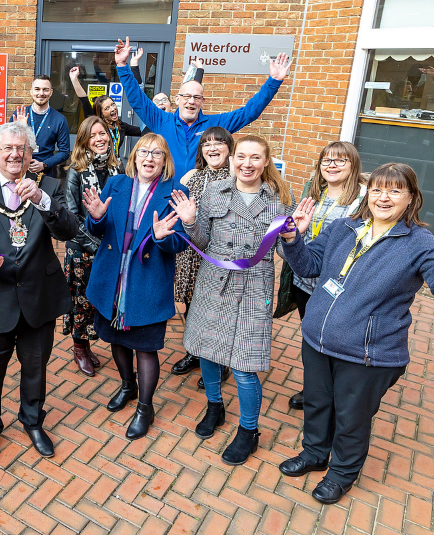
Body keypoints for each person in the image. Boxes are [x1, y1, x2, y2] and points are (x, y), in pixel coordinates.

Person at [278, 163, 434, 504]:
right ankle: (315, 453)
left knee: (351, 417)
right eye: (376, 189)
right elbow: (309, 266)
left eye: (394, 190)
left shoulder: (420, 242)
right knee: (317, 403)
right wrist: (292, 239)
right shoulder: (344, 227)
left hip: (367, 352)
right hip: (317, 339)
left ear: (411, 198)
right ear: (367, 193)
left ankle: (342, 474)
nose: (383, 197)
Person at [0, 121, 78, 465]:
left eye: (20, 149)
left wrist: (41, 200)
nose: (13, 154)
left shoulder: (49, 185)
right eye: (6, 148)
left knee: (35, 367)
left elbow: (68, 230)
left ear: (29, 154)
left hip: (39, 294)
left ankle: (32, 421)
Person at [170, 134, 293, 465]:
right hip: (213, 282)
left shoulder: (279, 200)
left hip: (254, 289)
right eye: (241, 156)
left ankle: (249, 431)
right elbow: (202, 239)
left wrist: (295, 238)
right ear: (232, 159)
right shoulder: (214, 191)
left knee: (244, 366)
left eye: (255, 158)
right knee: (208, 353)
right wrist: (190, 220)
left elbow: (286, 250)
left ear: (266, 162)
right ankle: (215, 406)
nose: (247, 164)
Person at [82, 133, 189, 439]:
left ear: (164, 160)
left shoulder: (175, 193)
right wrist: (97, 218)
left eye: (157, 153)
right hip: (112, 279)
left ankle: (145, 406)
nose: (149, 158)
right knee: (116, 338)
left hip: (146, 281)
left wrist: (161, 236)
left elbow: (177, 245)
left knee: (144, 348)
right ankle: (127, 385)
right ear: (134, 157)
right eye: (144, 151)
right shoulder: (117, 184)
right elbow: (100, 229)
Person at [113, 36, 291, 175]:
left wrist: (273, 82)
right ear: (177, 99)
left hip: (203, 197)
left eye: (197, 97)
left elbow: (248, 113)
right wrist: (122, 65)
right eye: (187, 96)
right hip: (167, 194)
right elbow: (137, 99)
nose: (191, 101)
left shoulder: (214, 125)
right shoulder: (161, 120)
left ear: (202, 101)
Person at [285, 142, 368, 411]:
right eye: (326, 161)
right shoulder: (312, 193)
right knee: (311, 340)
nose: (331, 165)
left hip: (337, 288)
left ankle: (334, 396)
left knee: (334, 341)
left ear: (353, 165)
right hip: (305, 284)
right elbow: (297, 236)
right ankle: (314, 390)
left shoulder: (363, 202)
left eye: (340, 160)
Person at [169, 127, 234, 382]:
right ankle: (195, 352)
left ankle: (219, 362)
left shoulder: (237, 179)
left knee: (217, 308)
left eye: (219, 143)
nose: (212, 148)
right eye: (206, 144)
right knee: (190, 302)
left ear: (230, 148)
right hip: (190, 253)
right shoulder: (192, 177)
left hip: (219, 255)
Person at [63, 114, 124, 377]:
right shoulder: (76, 171)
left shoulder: (118, 169)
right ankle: (79, 347)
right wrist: (95, 244)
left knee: (100, 298)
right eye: (93, 135)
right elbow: (71, 216)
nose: (99, 139)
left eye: (103, 134)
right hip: (82, 249)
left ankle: (89, 344)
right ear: (84, 141)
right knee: (81, 301)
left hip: (109, 249)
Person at [69, 66, 142, 159]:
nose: (112, 109)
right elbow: (84, 100)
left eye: (113, 104)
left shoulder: (121, 125)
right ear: (101, 113)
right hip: (97, 165)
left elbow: (143, 131)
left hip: (115, 165)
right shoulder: (95, 123)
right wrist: (74, 79)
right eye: (107, 108)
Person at [8, 74, 71, 177]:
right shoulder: (19, 114)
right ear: (31, 91)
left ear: (51, 93)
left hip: (45, 174)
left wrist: (44, 164)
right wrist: (22, 129)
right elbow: (8, 144)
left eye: (45, 90)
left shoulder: (59, 119)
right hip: (19, 171)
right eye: (37, 89)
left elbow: (64, 152)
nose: (41, 93)